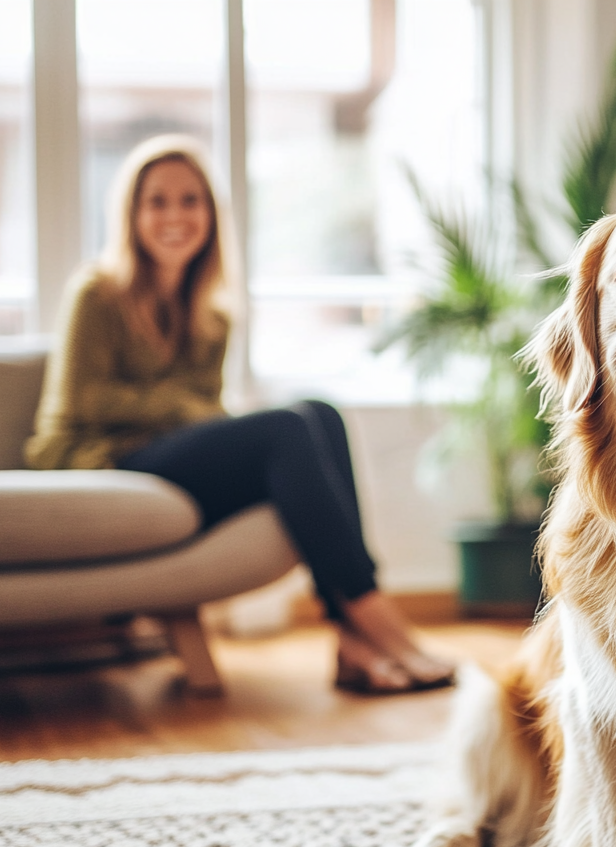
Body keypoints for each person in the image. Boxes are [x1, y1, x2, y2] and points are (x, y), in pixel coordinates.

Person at [25, 134, 454, 694]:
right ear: (131, 215)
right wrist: (181, 405)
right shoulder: (97, 293)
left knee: (320, 414)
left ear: (210, 215)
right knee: (285, 428)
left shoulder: (211, 315)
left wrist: (193, 414)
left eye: (190, 201)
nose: (175, 216)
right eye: (157, 202)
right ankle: (375, 619)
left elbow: (204, 413)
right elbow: (84, 403)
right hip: (94, 457)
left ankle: (349, 636)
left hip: (159, 455)